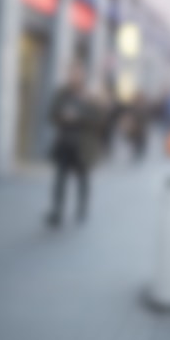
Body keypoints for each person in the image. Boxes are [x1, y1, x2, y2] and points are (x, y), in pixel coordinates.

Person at [45, 65, 106, 226]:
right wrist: (62, 117)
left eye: (76, 74)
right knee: (60, 179)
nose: (73, 77)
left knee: (83, 179)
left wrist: (79, 117)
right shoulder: (62, 93)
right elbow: (51, 114)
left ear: (82, 76)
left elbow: (99, 119)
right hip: (64, 142)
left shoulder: (90, 95)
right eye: (71, 74)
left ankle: (82, 209)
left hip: (83, 145)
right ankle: (57, 211)